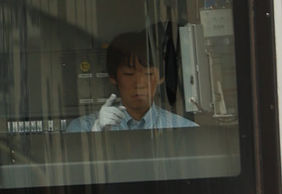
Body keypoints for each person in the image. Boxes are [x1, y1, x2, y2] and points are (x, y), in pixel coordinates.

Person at [65, 31, 198, 133]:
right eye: (129, 74)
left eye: (148, 73)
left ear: (160, 78)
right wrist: (96, 135)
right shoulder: (82, 129)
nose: (139, 84)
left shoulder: (184, 129)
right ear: (113, 77)